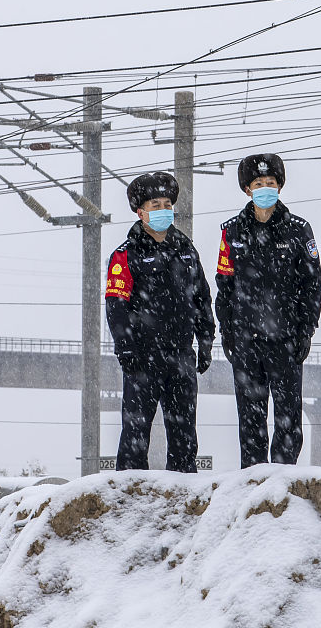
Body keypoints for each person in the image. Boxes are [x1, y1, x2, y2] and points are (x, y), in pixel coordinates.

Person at [215, 153, 321, 467]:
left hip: (285, 340)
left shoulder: (299, 230)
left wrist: (306, 331)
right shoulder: (231, 232)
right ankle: (252, 479)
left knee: (289, 419)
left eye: (271, 183)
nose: (265, 188)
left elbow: (312, 286)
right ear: (247, 189)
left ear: (280, 186)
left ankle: (282, 480)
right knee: (250, 420)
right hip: (246, 342)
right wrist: (228, 333)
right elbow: (225, 286)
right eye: (258, 184)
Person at [105, 171, 215, 472]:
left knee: (184, 435)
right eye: (155, 205)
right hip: (142, 359)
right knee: (135, 434)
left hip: (180, 357)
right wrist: (125, 348)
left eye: (167, 203)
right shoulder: (124, 256)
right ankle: (127, 493)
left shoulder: (187, 251)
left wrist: (206, 340)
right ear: (141, 212)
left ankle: (184, 495)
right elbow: (116, 306)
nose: (163, 210)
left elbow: (201, 297)